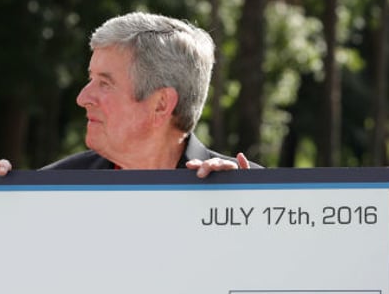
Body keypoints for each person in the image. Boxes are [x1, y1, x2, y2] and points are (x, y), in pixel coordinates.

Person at [45, 11, 255, 174]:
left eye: (105, 84)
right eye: (91, 79)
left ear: (161, 104)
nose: (82, 98)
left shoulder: (246, 188)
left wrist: (242, 207)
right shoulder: (51, 190)